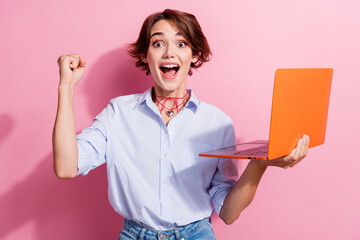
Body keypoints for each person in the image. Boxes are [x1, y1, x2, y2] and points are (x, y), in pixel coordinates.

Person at [53, 9, 309, 240]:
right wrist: (66, 88)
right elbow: (66, 167)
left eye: (181, 43)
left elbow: (229, 214)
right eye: (158, 43)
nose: (169, 52)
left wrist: (259, 166)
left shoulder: (218, 123)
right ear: (146, 54)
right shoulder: (117, 113)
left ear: (194, 54)